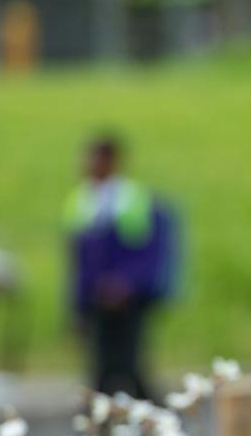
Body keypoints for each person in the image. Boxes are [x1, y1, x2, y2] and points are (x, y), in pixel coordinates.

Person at [65, 135, 176, 399]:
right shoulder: (81, 202)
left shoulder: (133, 201)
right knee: (102, 369)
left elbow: (147, 252)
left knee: (129, 365)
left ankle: (155, 425)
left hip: (128, 302)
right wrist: (77, 306)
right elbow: (78, 263)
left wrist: (127, 283)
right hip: (97, 302)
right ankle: (105, 428)